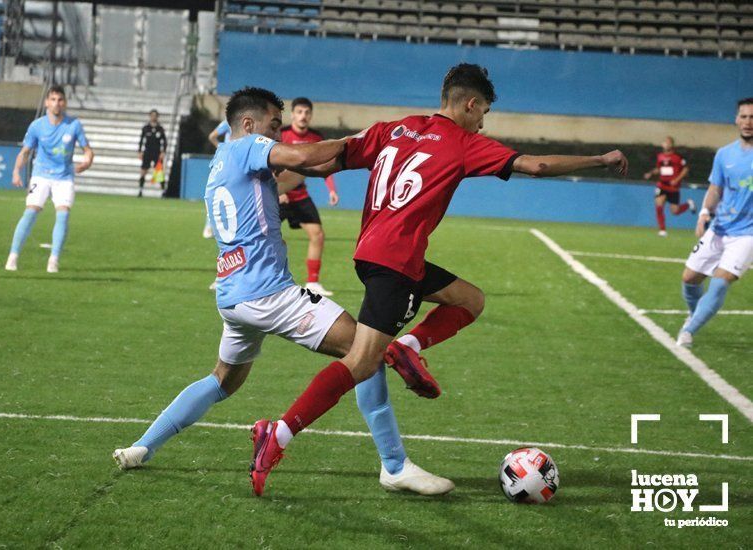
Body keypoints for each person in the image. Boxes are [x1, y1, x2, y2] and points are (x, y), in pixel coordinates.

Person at [249, 64, 629, 496]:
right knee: (360, 363)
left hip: (376, 254)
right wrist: (601, 158)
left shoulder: (395, 129)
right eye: (483, 111)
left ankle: (406, 349)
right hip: (395, 263)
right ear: (470, 104)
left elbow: (327, 163)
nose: (483, 121)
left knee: (470, 300)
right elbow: (536, 165)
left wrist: (266, 166)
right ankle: (278, 434)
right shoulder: (464, 142)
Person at [113, 87, 454, 496]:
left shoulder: (222, 159)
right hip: (270, 294)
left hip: (234, 297)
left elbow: (296, 173)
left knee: (223, 380)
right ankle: (395, 465)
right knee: (366, 352)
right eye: (275, 125)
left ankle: (141, 447)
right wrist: (372, 139)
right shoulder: (249, 146)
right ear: (249, 124)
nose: (281, 134)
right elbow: (303, 156)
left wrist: (339, 164)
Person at [676, 98, 753, 348]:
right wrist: (704, 213)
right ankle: (695, 314)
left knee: (720, 282)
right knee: (689, 279)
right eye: (744, 116)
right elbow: (715, 188)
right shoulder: (724, 154)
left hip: (747, 234)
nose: (748, 122)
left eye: (752, 117)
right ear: (736, 119)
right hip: (720, 228)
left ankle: (688, 332)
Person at [4, 85, 93, 273]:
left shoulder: (74, 125)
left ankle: (54, 260)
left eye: (60, 100)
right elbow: (25, 151)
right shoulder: (37, 126)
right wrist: (15, 171)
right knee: (30, 212)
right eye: (53, 99)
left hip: (64, 176)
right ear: (46, 102)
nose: (56, 103)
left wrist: (87, 163)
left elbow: (88, 150)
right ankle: (13, 256)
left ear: (65, 103)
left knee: (63, 214)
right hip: (41, 174)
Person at [279, 97, 339, 296]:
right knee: (260, 237)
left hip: (300, 195)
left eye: (306, 112)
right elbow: (269, 163)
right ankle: (231, 276)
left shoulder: (316, 137)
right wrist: (279, 192)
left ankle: (312, 282)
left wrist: (331, 189)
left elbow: (325, 165)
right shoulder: (282, 134)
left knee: (317, 235)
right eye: (299, 112)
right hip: (277, 195)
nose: (303, 116)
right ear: (292, 114)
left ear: (311, 116)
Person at [643, 136, 696, 236]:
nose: (666, 144)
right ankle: (662, 230)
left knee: (675, 211)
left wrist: (677, 179)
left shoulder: (677, 157)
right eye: (664, 142)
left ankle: (689, 204)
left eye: (668, 143)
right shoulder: (660, 156)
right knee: (659, 203)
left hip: (673, 187)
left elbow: (685, 169)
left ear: (672, 145)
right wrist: (650, 173)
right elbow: (659, 168)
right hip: (662, 184)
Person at [204, 119, 232, 240]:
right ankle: (209, 226)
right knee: (217, 193)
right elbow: (212, 136)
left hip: (238, 162)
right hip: (227, 162)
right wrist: (221, 148)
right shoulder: (230, 121)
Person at [137, 109, 167, 198]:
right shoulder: (146, 128)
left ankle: (163, 191)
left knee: (159, 172)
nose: (154, 117)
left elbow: (164, 141)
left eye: (155, 116)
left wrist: (163, 151)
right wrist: (140, 151)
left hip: (157, 153)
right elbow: (141, 140)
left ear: (157, 117)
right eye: (152, 115)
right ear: (150, 116)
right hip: (147, 152)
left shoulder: (160, 129)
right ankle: (140, 190)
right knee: (143, 171)